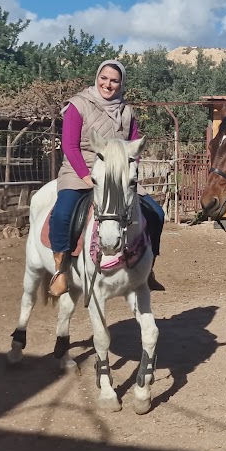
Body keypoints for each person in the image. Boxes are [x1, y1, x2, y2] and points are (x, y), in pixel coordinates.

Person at [48, 59, 165, 297]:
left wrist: (129, 171)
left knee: (157, 213)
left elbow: (133, 147)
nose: (108, 85)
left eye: (114, 80)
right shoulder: (78, 105)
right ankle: (61, 270)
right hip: (80, 170)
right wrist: (84, 175)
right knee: (62, 215)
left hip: (118, 174)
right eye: (104, 78)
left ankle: (149, 268)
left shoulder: (127, 111)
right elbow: (70, 146)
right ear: (96, 78)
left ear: (121, 83)